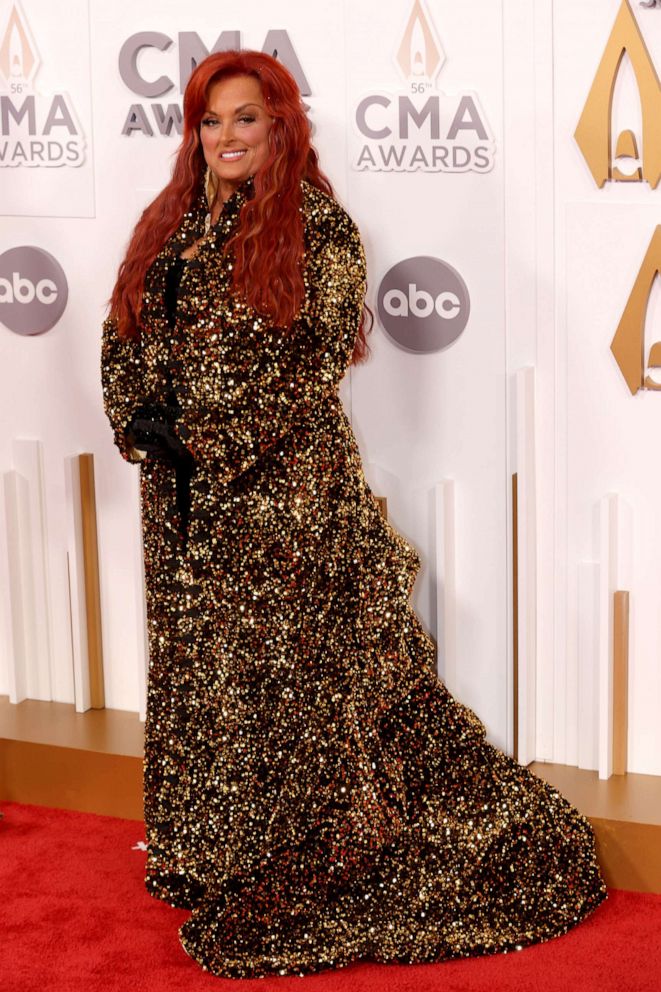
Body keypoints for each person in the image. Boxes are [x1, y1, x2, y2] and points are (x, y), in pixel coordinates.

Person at [101, 50, 607, 979]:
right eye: (210, 123)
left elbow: (312, 359)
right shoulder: (167, 222)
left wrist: (204, 435)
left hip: (284, 499)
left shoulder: (317, 227)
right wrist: (139, 421)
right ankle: (211, 852)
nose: (225, 139)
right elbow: (123, 327)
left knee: (294, 684)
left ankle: (292, 853)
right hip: (177, 506)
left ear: (280, 124)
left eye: (245, 120)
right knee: (203, 672)